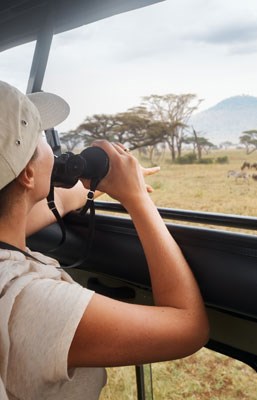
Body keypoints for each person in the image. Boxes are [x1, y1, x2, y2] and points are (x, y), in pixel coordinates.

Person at [0, 81, 209, 399]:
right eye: (41, 138)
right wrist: (137, 199)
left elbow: (63, 200)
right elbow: (189, 327)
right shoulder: (29, 302)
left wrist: (104, 180)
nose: (53, 152)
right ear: (27, 173)